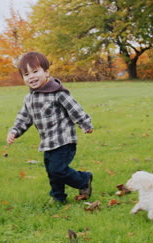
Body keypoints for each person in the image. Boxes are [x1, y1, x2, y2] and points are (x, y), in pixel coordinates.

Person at [6, 51, 94, 204]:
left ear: (46, 72)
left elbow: (74, 108)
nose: (31, 77)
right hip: (47, 142)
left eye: (35, 71)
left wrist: (85, 123)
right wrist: (15, 131)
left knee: (58, 169)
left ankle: (84, 180)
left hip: (64, 140)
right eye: (26, 74)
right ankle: (58, 197)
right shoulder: (29, 98)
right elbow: (24, 117)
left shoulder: (57, 93)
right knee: (52, 172)